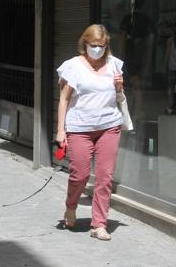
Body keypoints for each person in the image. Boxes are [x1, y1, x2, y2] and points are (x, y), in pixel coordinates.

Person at [55, 24, 124, 241]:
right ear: (85, 43)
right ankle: (70, 206)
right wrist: (60, 130)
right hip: (79, 128)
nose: (98, 49)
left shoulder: (114, 65)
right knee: (80, 175)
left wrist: (120, 88)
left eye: (102, 46)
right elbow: (64, 99)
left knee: (105, 177)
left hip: (109, 126)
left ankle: (99, 224)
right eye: (94, 45)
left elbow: (120, 99)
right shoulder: (73, 66)